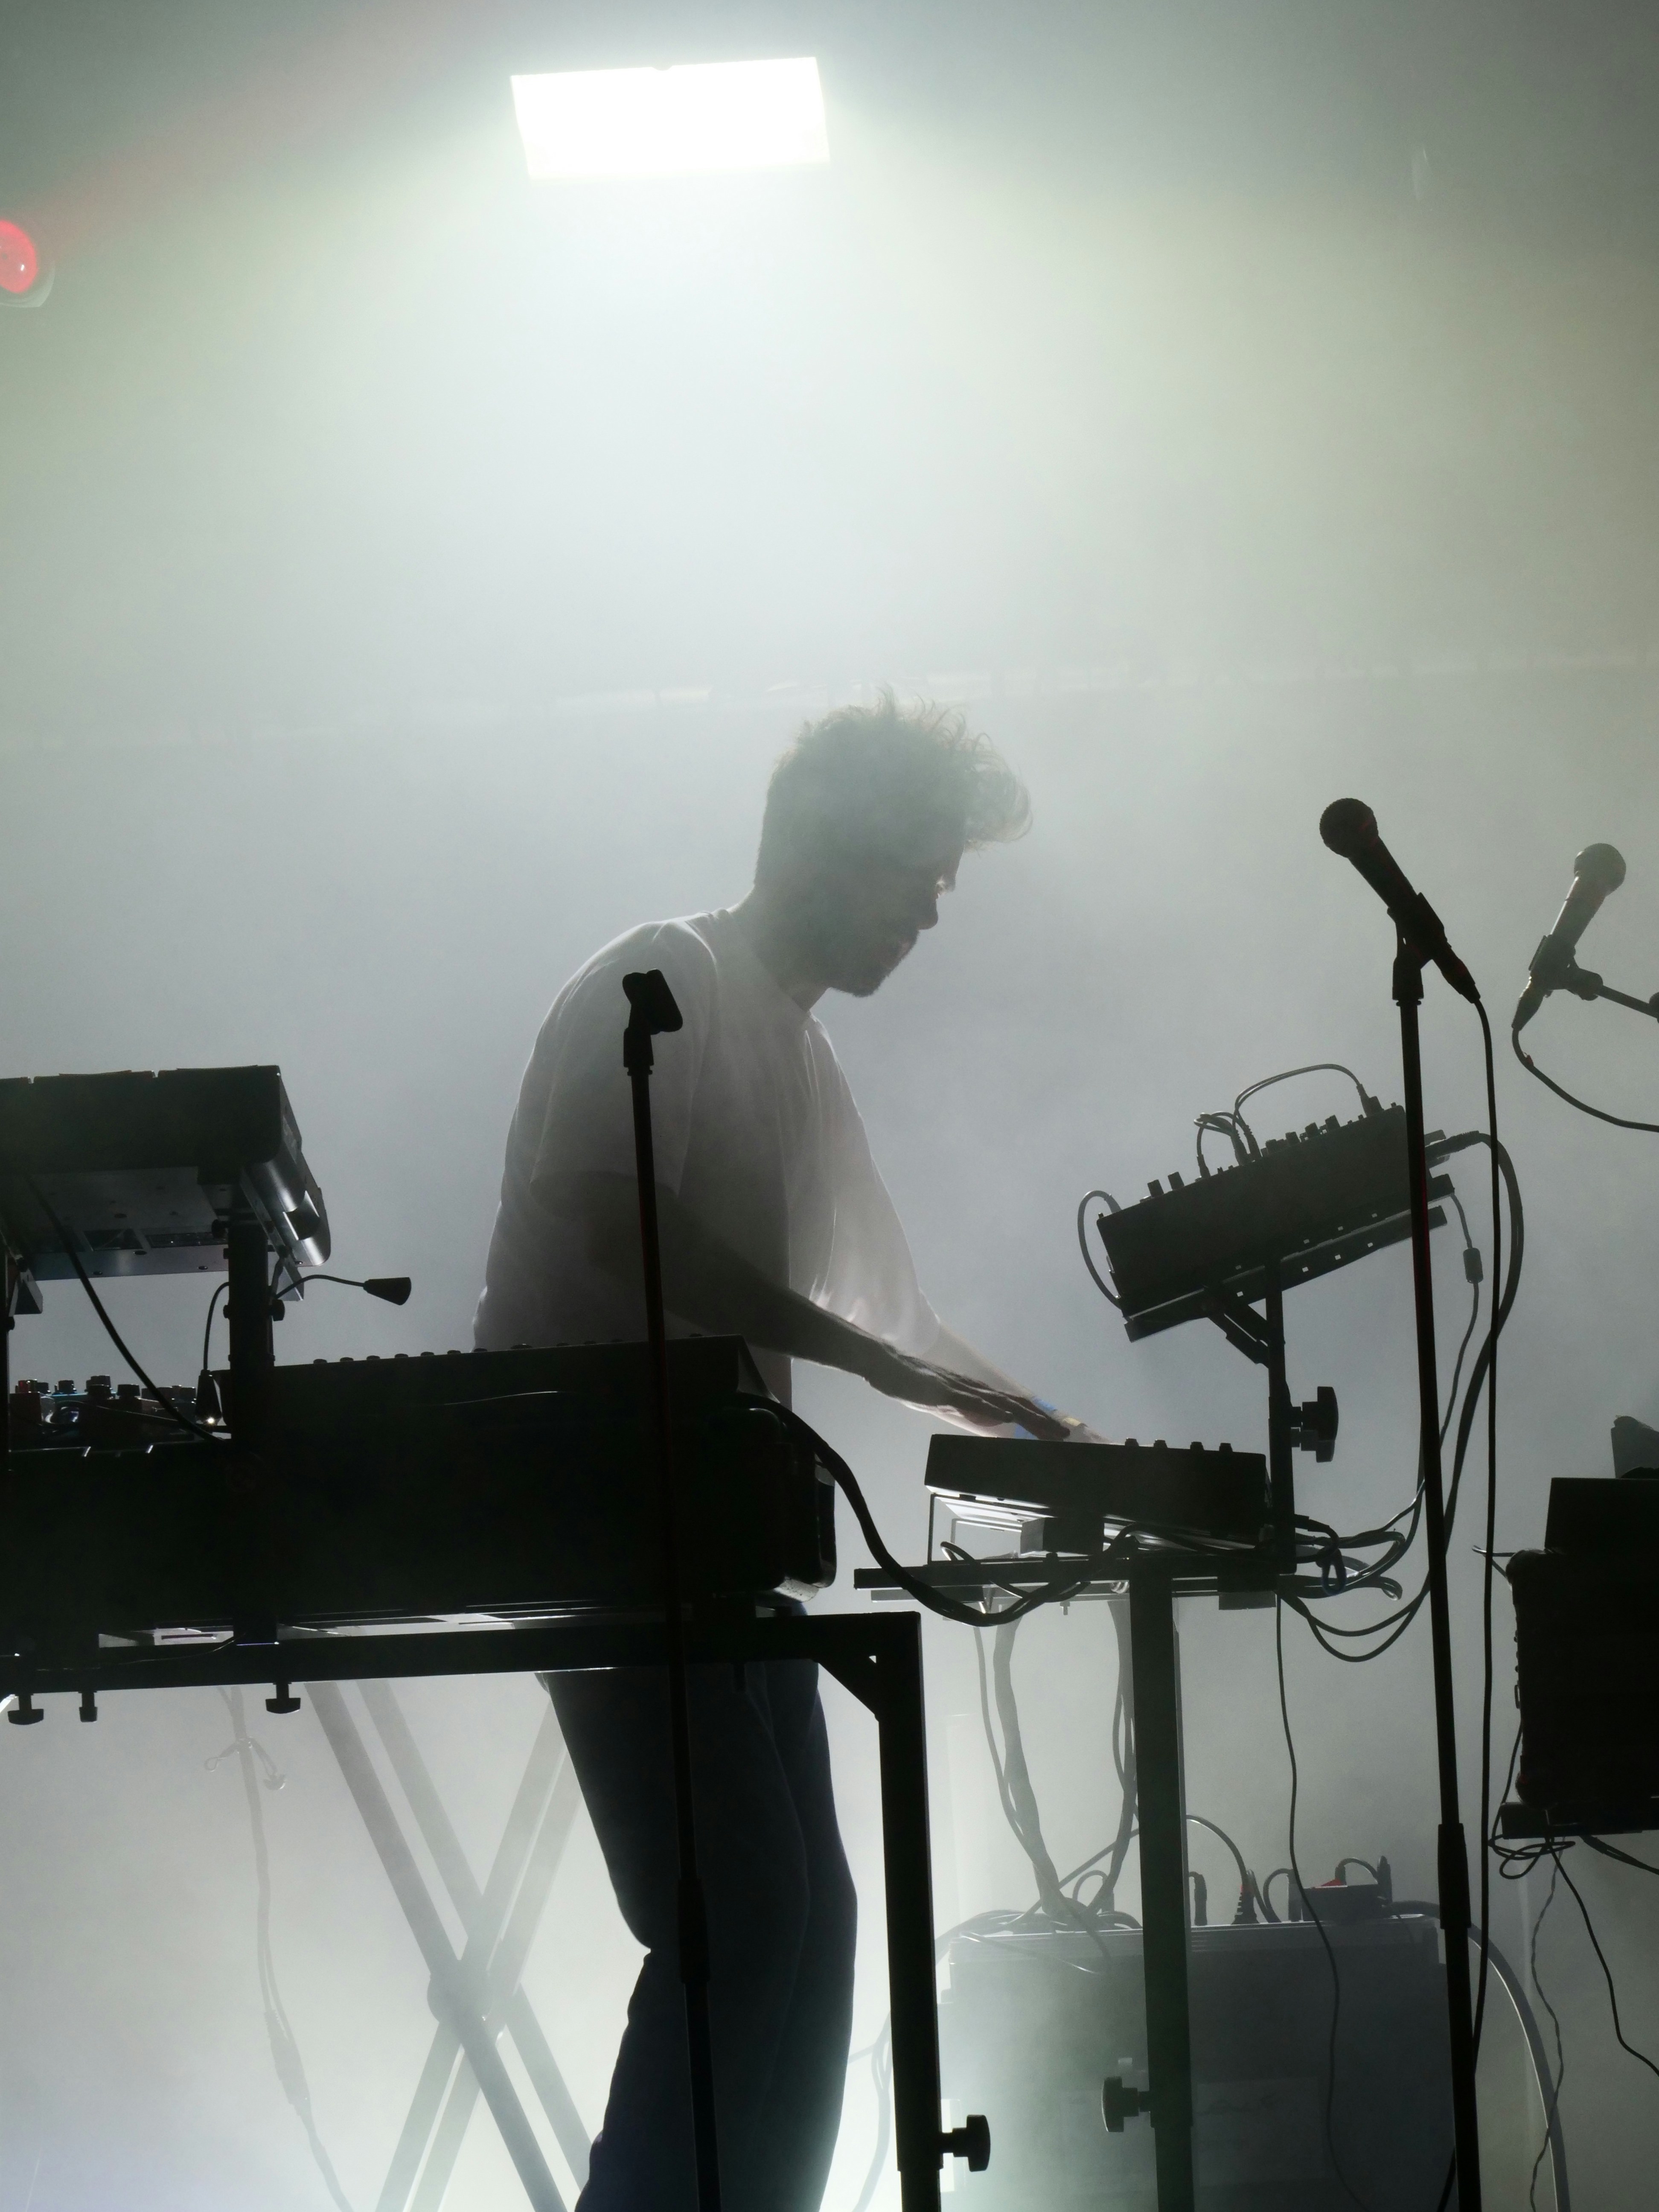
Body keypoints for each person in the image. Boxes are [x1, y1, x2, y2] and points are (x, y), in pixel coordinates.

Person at [475, 696, 1089, 2212]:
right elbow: (599, 1212)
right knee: (745, 1918)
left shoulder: (805, 1062)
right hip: (592, 1515)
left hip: (717, 1534)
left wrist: (1044, 1432)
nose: (931, 914)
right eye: (919, 875)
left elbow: (889, 1318)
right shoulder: (662, 979)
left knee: (813, 1939)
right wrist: (876, 1362)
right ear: (827, 845)